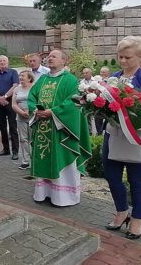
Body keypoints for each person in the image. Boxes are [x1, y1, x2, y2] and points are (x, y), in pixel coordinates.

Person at [102, 36, 141, 240]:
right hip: (113, 135)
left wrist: (130, 105)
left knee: (137, 180)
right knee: (111, 176)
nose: (123, 61)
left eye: (127, 57)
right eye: (120, 57)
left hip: (137, 136)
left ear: (140, 56)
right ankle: (121, 211)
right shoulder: (114, 77)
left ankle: (138, 218)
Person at [29, 49, 92, 207]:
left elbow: (73, 102)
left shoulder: (70, 80)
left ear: (64, 61)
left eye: (54, 57)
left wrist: (53, 112)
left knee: (62, 159)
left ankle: (63, 197)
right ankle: (44, 194)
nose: (50, 59)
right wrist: (36, 110)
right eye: (49, 56)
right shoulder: (42, 79)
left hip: (61, 130)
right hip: (43, 125)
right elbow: (32, 96)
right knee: (43, 157)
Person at [0, 55, 19, 159]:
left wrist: (5, 96)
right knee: (2, 127)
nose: (2, 62)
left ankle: (15, 151)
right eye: (0, 61)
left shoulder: (13, 72)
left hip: (10, 102)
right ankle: (6, 149)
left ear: (7, 62)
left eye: (4, 61)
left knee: (13, 126)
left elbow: (15, 85)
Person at [12, 71, 35, 170]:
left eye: (23, 76)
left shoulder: (35, 88)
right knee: (23, 139)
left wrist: (30, 111)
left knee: (33, 139)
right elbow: (13, 104)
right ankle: (25, 161)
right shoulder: (17, 89)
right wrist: (21, 112)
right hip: (20, 117)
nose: (20, 77)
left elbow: (39, 101)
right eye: (20, 76)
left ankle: (35, 160)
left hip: (33, 116)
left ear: (29, 78)